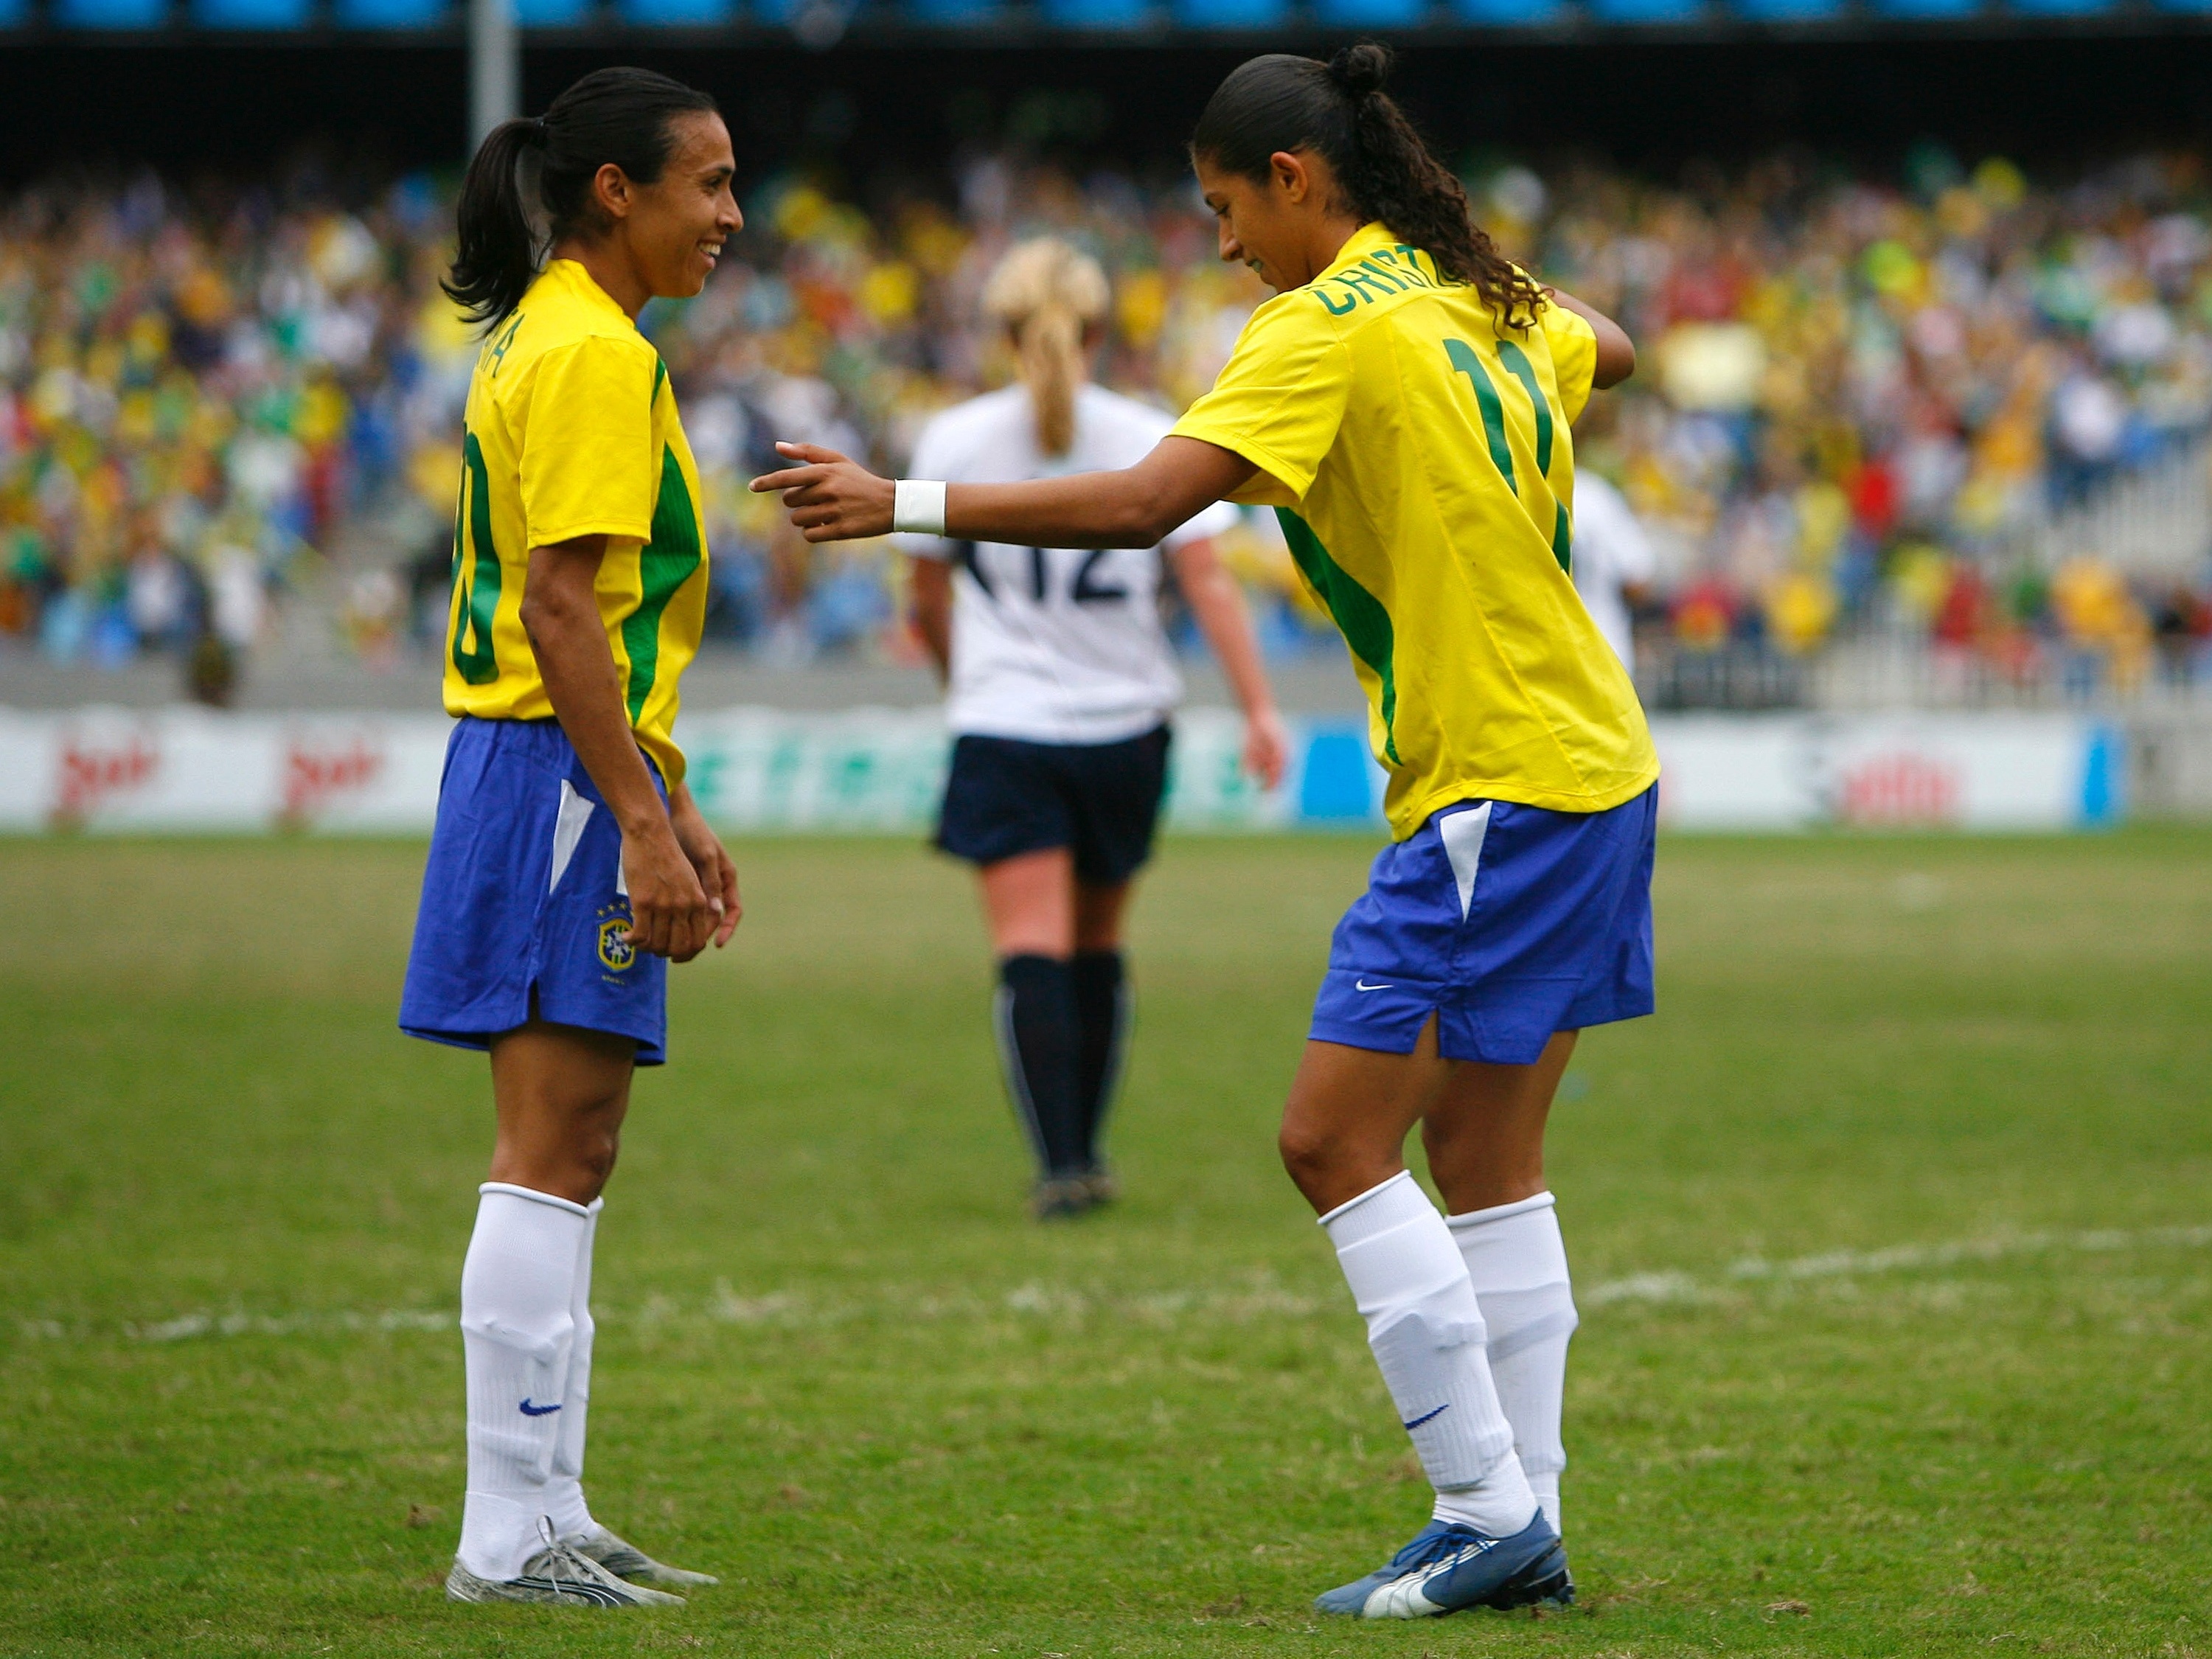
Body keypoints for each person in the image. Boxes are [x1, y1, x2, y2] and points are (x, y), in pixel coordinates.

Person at [754, 43, 1655, 1621]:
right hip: (1599, 766)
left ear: (1295, 182)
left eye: (1225, 205)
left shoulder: (1316, 328)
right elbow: (1621, 348)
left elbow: (1142, 504)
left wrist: (902, 503)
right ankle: (1532, 1522)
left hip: (1499, 780)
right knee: (1489, 1153)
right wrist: (1488, 281)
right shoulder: (1474, 297)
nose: (1222, 240)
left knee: (1329, 1140)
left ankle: (1483, 1510)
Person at [397, 66, 743, 1609]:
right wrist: (634, 820)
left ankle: (549, 1507)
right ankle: (502, 1537)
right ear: (619, 191)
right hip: (549, 777)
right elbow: (559, 609)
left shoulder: (561, 332)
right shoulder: (595, 354)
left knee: (576, 1144)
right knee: (554, 1145)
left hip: (557, 770)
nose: (732, 216)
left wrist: (665, 800)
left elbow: (582, 613)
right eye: (710, 184)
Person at [898, 237, 1288, 1220]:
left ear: (999, 332)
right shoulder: (1156, 433)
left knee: (1030, 947)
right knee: (1101, 944)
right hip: (1126, 723)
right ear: (1105, 330)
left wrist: (967, 684)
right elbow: (1207, 586)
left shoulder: (954, 439)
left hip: (1006, 722)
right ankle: (1090, 1152)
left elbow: (927, 599)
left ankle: (1060, 1162)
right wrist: (1259, 709)